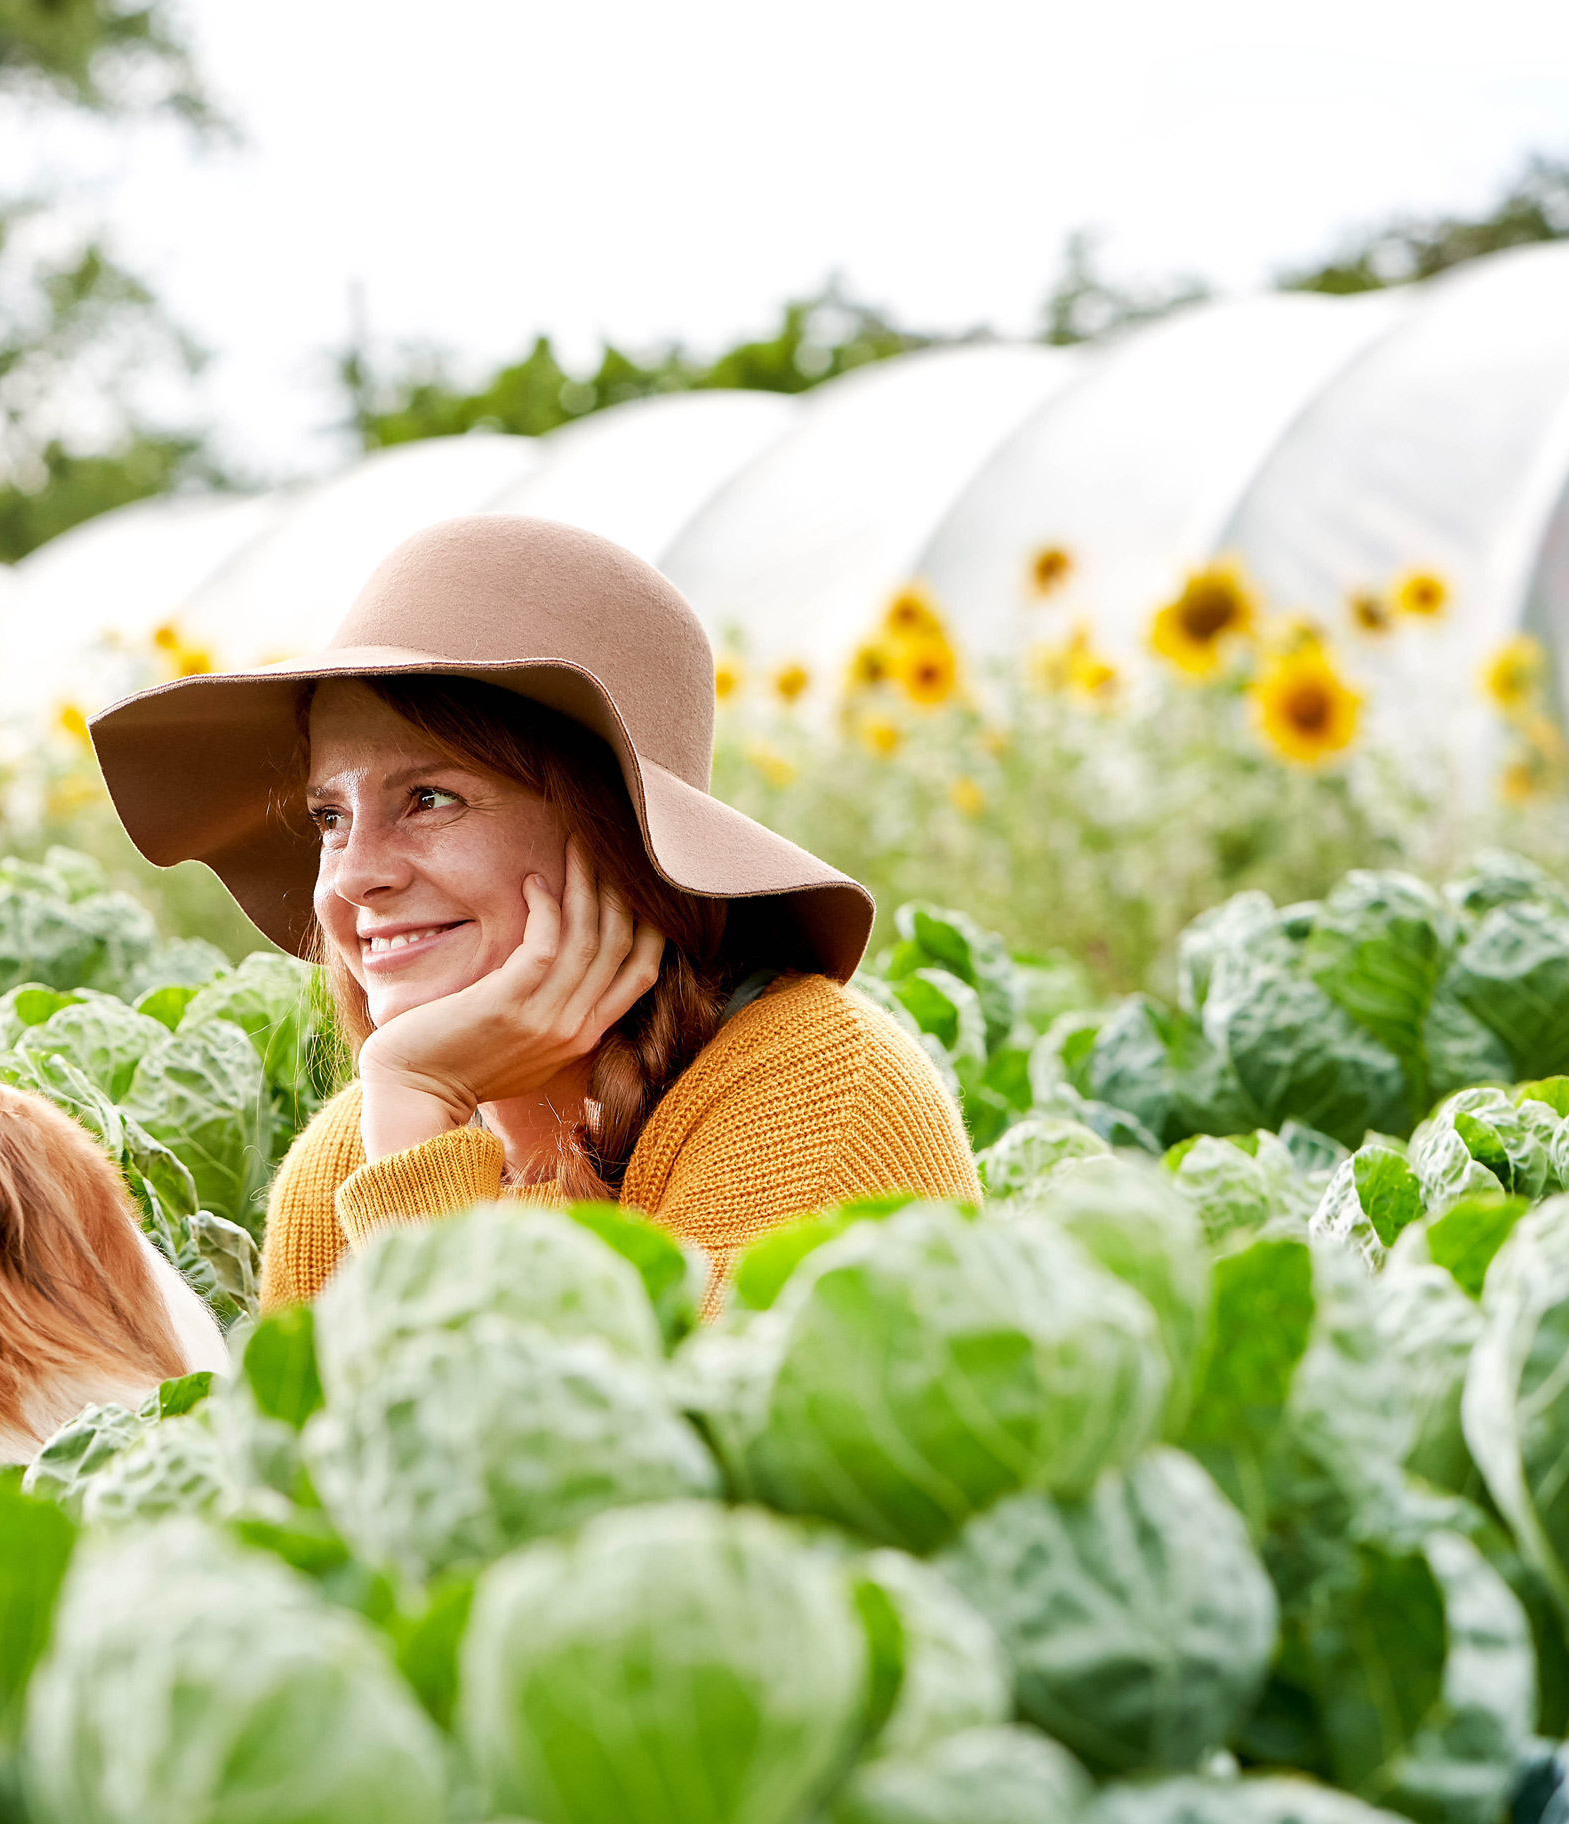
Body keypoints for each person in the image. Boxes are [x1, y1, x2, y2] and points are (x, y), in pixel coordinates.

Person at [87, 514, 980, 1311]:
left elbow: (579, 1477)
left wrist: (418, 1116)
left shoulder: (814, 1091)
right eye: (330, 816)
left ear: (614, 832)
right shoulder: (348, 1161)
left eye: (430, 798)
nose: (353, 877)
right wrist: (412, 1112)